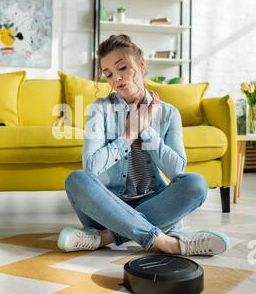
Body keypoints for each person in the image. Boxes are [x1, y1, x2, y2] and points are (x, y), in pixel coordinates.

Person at [58, 34, 229, 256]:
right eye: (108, 74)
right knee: (76, 179)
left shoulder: (168, 113)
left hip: (154, 203)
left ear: (140, 64)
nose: (116, 79)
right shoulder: (99, 110)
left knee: (196, 183)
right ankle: (169, 244)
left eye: (122, 68)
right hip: (107, 206)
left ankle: (108, 237)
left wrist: (146, 129)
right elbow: (91, 168)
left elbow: (177, 170)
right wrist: (128, 134)